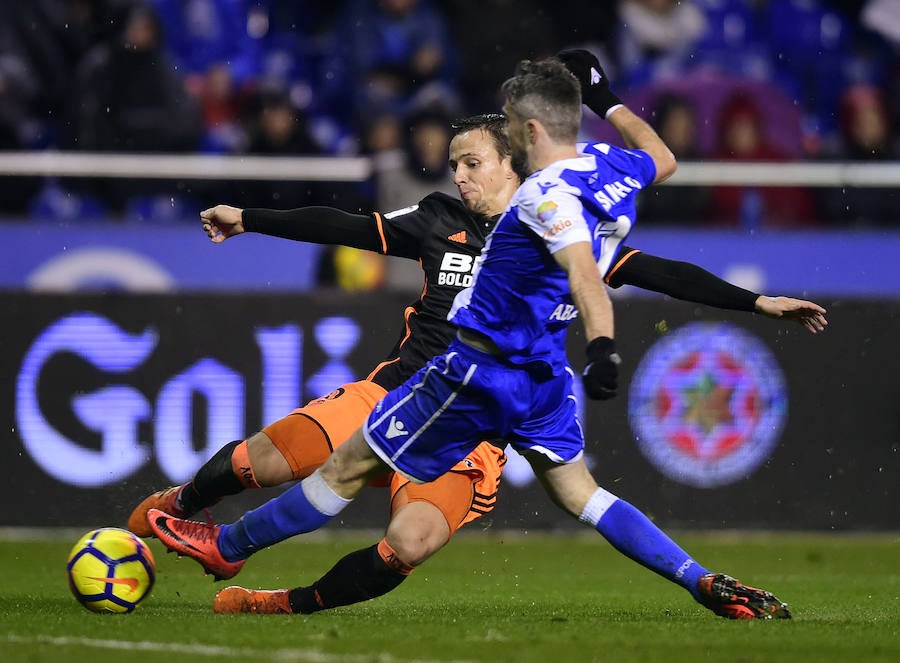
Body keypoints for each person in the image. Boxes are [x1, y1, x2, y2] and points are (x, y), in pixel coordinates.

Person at [143, 54, 825, 619]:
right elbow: (662, 160)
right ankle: (701, 580)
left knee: (350, 476)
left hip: (475, 377)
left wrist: (605, 343)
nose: (460, 175)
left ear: (521, 142)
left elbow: (595, 275)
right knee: (582, 494)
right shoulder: (602, 178)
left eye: (474, 158)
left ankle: (231, 547)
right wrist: (605, 94)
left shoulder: (542, 203)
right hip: (537, 384)